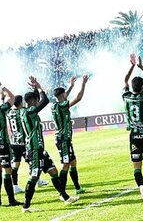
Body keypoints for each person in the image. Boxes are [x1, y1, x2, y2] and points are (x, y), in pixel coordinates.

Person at [21, 76, 79, 213]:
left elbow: (40, 99)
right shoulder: (29, 112)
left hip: (40, 149)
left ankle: (65, 197)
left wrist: (35, 87)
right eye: (36, 101)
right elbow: (45, 100)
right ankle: (26, 206)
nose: (38, 102)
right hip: (34, 149)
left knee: (53, 171)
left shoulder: (28, 110)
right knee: (34, 176)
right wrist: (40, 87)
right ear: (32, 102)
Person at [122, 54, 143, 202]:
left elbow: (124, 81)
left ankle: (141, 187)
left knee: (137, 166)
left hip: (134, 136)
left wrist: (131, 65)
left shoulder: (126, 96)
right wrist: (141, 66)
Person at [52, 75, 88, 195]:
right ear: (62, 96)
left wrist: (71, 86)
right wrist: (83, 83)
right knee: (66, 164)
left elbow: (64, 95)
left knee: (73, 161)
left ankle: (77, 188)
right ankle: (62, 193)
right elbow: (79, 97)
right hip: (63, 139)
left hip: (64, 138)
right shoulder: (63, 106)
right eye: (65, 94)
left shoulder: (54, 105)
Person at [6, 95, 49, 194]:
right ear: (21, 102)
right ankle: (37, 181)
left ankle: (15, 186)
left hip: (14, 142)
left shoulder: (9, 112)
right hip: (24, 143)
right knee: (33, 162)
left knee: (15, 165)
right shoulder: (23, 111)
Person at [0, 82, 22, 206]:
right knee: (7, 171)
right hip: (2, 143)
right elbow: (12, 98)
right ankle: (11, 200)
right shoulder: (1, 109)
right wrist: (2, 87)